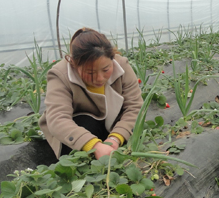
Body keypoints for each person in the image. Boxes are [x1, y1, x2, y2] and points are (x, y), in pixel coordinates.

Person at [39, 28, 143, 159]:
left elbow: (135, 107)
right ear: (74, 64)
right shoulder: (60, 75)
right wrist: (93, 145)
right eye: (90, 73)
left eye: (106, 69)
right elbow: (57, 118)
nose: (99, 78)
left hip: (113, 126)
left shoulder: (122, 66)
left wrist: (116, 137)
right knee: (86, 123)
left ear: (112, 58)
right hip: (78, 132)